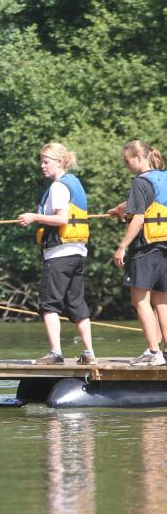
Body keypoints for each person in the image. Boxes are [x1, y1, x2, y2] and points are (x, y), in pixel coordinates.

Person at [17, 143, 96, 365]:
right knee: (76, 303)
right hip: (78, 252)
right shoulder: (75, 183)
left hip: (60, 254)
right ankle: (89, 353)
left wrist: (34, 216)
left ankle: (55, 353)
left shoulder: (58, 187)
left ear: (59, 162)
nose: (42, 166)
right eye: (41, 161)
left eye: (46, 161)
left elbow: (62, 219)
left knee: (49, 304)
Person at [110, 140, 167, 366]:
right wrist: (121, 209)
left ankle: (153, 352)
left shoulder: (139, 182)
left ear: (139, 158)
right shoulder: (163, 177)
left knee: (140, 299)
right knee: (162, 301)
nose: (127, 166)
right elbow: (152, 202)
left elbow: (141, 217)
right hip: (165, 246)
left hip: (146, 247)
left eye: (127, 161)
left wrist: (122, 246)